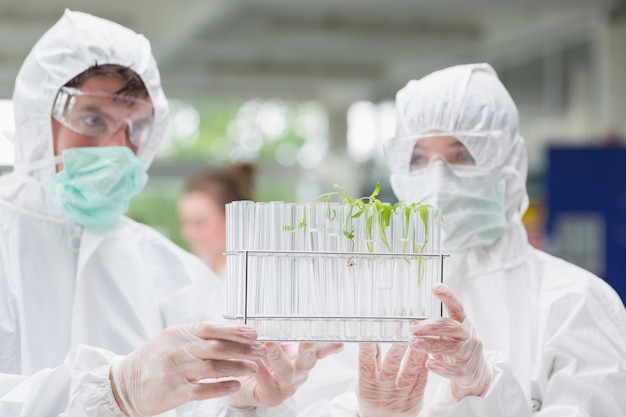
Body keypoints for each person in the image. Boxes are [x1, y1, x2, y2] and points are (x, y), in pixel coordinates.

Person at [0, 9, 340, 417]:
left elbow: (208, 405)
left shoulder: (169, 270)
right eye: (93, 119)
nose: (117, 148)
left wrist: (240, 403)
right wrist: (111, 392)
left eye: (135, 128)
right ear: (37, 120)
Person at [324, 63, 626, 416]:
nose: (437, 177)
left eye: (462, 155)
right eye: (418, 157)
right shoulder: (368, 301)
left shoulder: (575, 303)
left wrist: (488, 392)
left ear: (509, 166)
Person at [178, 164, 255, 277]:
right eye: (185, 223)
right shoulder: (197, 269)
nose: (188, 234)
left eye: (199, 223)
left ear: (233, 220)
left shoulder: (255, 274)